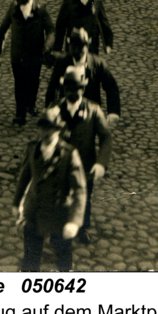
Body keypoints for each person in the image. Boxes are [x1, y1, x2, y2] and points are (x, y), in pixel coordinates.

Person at [13, 107, 86, 272]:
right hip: (34, 211)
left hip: (59, 213)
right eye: (43, 128)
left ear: (58, 130)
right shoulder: (33, 149)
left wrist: (74, 221)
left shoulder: (68, 154)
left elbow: (80, 190)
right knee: (30, 260)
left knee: (63, 261)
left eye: (50, 129)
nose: (45, 133)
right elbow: (24, 178)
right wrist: (17, 204)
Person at [55, 66, 114, 245]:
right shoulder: (56, 110)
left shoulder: (93, 110)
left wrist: (101, 163)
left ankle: (83, 227)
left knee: (84, 197)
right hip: (61, 166)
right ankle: (58, 229)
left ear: (83, 89)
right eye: (69, 88)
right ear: (64, 89)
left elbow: (106, 137)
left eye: (78, 88)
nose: (73, 92)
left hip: (85, 164)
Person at [0, 0, 54, 125]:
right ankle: (20, 113)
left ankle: (31, 104)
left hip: (35, 55)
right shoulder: (13, 8)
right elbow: (3, 29)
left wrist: (47, 46)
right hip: (18, 56)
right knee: (20, 83)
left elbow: (51, 30)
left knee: (33, 82)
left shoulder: (40, 10)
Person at [45, 27, 122, 125]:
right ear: (69, 45)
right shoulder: (62, 62)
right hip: (66, 113)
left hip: (89, 114)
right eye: (73, 45)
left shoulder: (98, 63)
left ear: (87, 46)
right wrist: (49, 111)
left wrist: (113, 112)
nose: (77, 49)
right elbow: (52, 87)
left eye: (81, 46)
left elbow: (111, 87)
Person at [49, 0, 114, 56]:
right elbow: (60, 27)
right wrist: (57, 49)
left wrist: (108, 44)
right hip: (73, 49)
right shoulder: (68, 3)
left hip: (92, 48)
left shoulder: (96, 2)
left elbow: (104, 23)